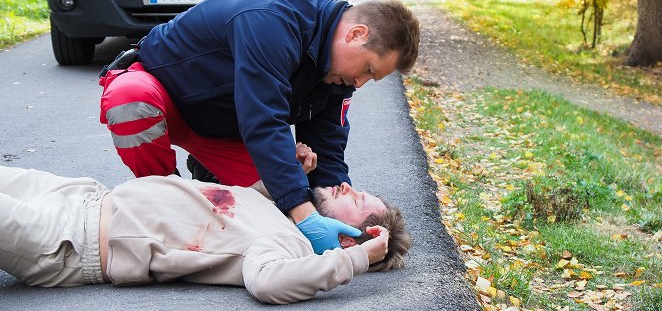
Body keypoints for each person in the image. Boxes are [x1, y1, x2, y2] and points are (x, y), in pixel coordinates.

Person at [98, 0, 420, 254]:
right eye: (368, 70)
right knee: (130, 101)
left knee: (275, 198)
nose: (361, 82)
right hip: (166, 96)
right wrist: (305, 214)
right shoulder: (272, 21)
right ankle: (164, 199)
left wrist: (329, 211)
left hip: (224, 130)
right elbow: (264, 119)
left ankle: (208, 174)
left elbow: (329, 144)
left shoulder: (337, 75)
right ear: (356, 34)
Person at [0, 164, 411, 304]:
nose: (346, 186)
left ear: (347, 238)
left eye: (357, 200)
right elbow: (225, 209)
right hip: (79, 196)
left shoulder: (287, 245)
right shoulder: (279, 215)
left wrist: (360, 260)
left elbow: (267, 284)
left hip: (68, 241)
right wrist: (284, 179)